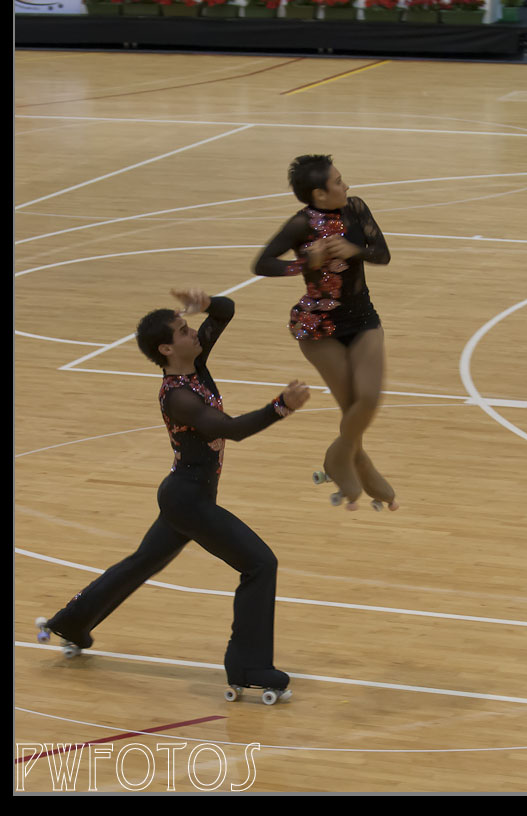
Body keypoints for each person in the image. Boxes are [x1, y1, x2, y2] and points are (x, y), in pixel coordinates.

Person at [37, 288, 310, 698]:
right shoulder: (178, 396)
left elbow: (226, 311)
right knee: (259, 564)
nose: (193, 332)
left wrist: (207, 304)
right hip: (188, 500)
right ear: (166, 349)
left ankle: (72, 623)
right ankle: (248, 666)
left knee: (142, 563)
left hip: (187, 494)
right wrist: (280, 406)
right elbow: (229, 429)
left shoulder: (194, 361)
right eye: (183, 330)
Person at [253, 154, 398, 512]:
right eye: (337, 182)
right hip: (319, 327)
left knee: (368, 399)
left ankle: (340, 457)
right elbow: (262, 263)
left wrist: (354, 249)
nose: (346, 186)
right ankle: (360, 462)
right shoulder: (300, 224)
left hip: (363, 319)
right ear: (319, 194)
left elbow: (382, 254)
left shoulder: (356, 209)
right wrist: (306, 263)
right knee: (351, 407)